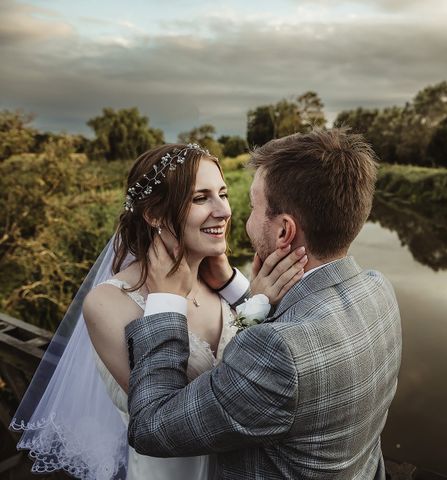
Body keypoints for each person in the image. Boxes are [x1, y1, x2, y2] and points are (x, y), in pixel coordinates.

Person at [10, 143, 306, 480]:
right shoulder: (109, 303)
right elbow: (177, 415)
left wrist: (237, 288)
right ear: (153, 214)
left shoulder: (225, 284)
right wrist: (252, 307)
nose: (223, 211)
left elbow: (286, 354)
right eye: (200, 198)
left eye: (223, 194)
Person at [125, 128, 403, 479]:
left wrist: (165, 300)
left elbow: (150, 427)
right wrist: (237, 288)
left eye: (254, 206)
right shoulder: (377, 290)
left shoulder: (280, 354)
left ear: (285, 231)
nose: (231, 215)